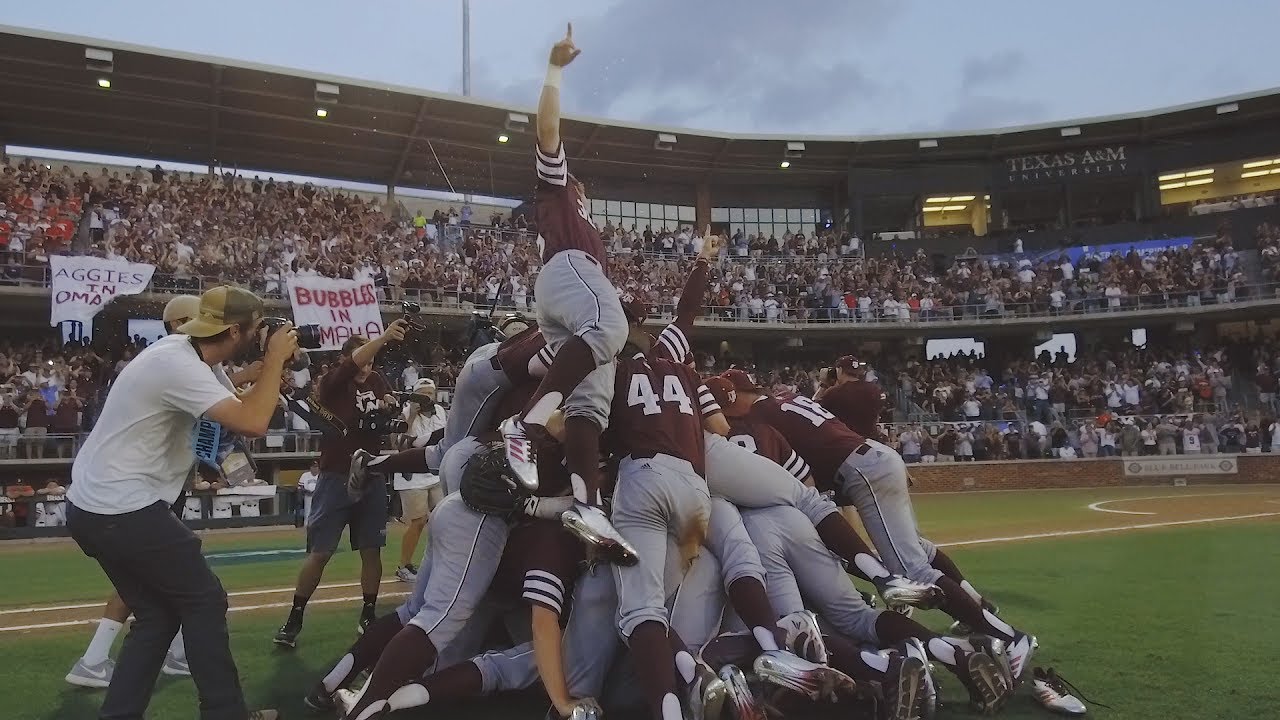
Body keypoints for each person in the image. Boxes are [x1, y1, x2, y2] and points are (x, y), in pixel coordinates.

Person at [65, 285, 292, 720]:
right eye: (256, 328)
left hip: (96, 507)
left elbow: (237, 410)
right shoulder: (178, 365)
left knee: (157, 616)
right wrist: (276, 360)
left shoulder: (188, 355)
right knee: (205, 599)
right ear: (234, 331)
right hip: (122, 506)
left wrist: (266, 374)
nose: (259, 335)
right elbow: (254, 422)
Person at [500, 23, 629, 550]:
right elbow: (547, 129)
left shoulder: (577, 217)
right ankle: (526, 426)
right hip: (568, 271)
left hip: (566, 289)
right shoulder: (558, 189)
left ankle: (587, 506)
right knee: (609, 327)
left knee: (589, 408)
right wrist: (554, 68)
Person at [66, 294, 201, 689]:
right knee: (172, 581)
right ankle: (100, 660)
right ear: (180, 324)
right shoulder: (174, 363)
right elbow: (238, 413)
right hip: (142, 490)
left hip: (146, 486)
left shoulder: (171, 362)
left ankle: (162, 655)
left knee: (158, 579)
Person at [274, 318, 409, 648]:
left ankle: (368, 613)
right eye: (364, 359)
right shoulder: (335, 379)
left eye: (372, 361)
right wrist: (382, 338)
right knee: (320, 552)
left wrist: (390, 407)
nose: (368, 367)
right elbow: (351, 366)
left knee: (372, 549)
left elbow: (386, 408)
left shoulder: (376, 379)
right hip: (336, 474)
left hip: (370, 472)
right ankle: (295, 616)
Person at [393, 378, 447, 583]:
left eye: (430, 393)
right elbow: (398, 444)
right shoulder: (406, 412)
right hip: (412, 475)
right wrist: (412, 415)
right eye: (423, 393)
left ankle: (441, 563)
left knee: (445, 518)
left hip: (435, 471)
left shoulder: (440, 411)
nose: (427, 397)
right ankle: (404, 565)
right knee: (418, 522)